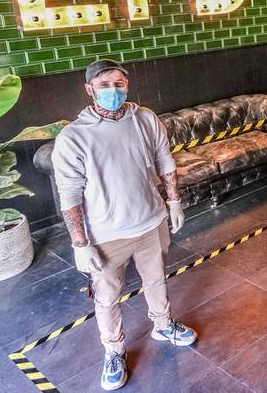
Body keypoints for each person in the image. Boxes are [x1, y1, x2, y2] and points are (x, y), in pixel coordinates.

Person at [51, 59, 197, 391]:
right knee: (107, 298)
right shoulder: (73, 137)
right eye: (104, 85)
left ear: (127, 85)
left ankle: (163, 324)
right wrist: (80, 243)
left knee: (157, 279)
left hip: (151, 220)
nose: (112, 91)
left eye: (118, 83)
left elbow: (164, 159)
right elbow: (69, 194)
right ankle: (114, 351)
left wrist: (173, 201)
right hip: (106, 234)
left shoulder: (145, 118)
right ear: (89, 90)